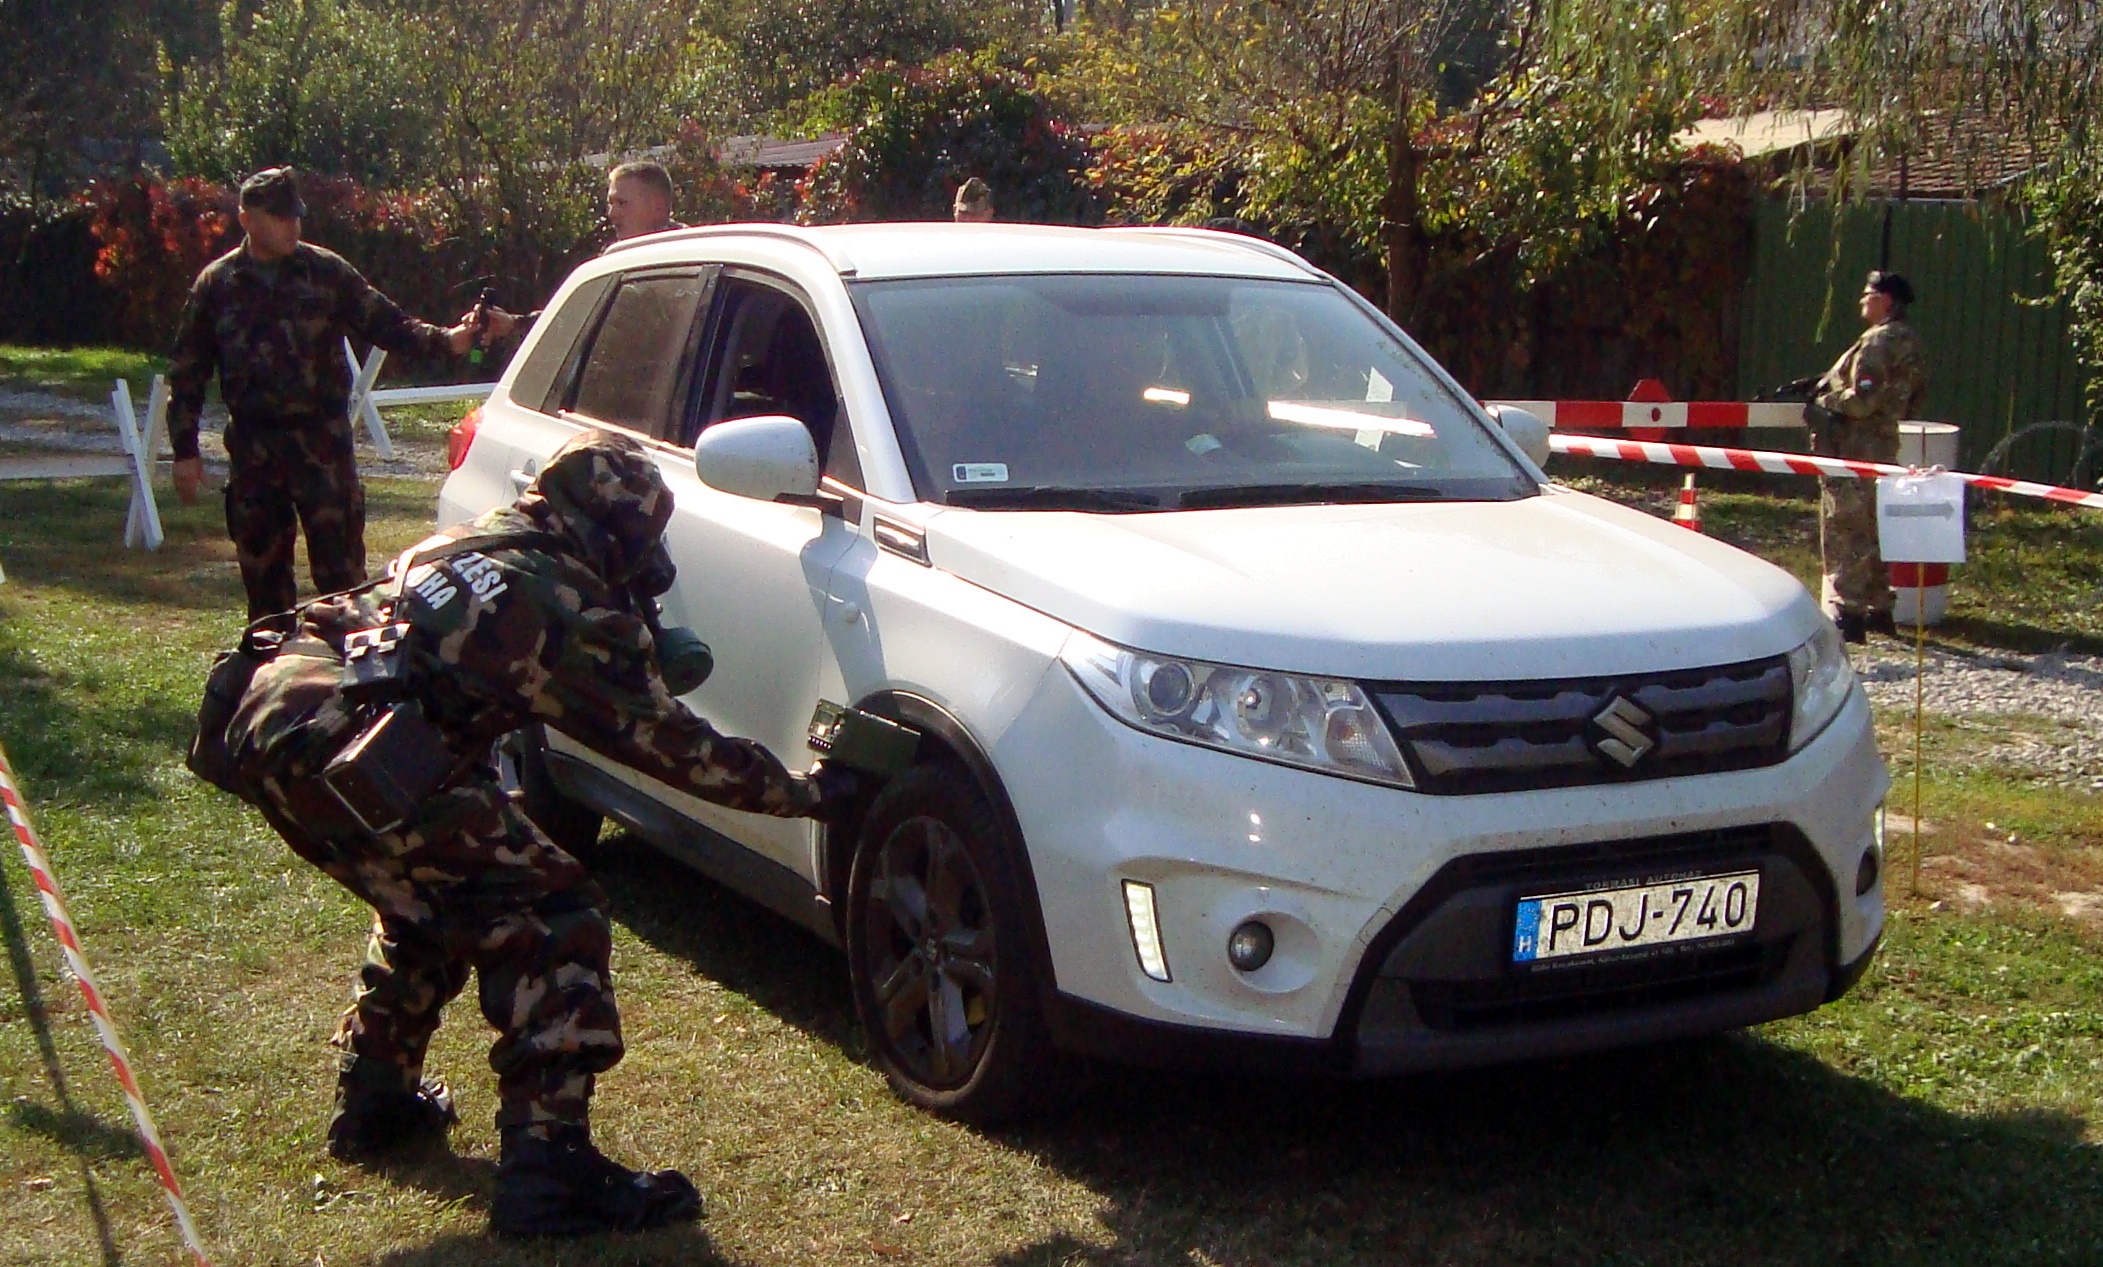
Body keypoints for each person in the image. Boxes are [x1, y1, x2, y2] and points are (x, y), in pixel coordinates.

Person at [216, 429, 856, 1237]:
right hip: (359, 749)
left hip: (272, 716)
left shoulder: (476, 539)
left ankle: (375, 1098)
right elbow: (676, 748)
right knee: (557, 912)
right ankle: (550, 1170)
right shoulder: (564, 606)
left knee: (439, 891)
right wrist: (807, 792)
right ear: (614, 534)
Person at [168, 167, 483, 619]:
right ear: (248, 220)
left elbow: (388, 323)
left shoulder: (326, 273)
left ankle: (346, 674)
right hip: (256, 452)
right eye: (279, 217)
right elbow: (188, 369)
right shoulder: (219, 285)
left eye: (295, 215)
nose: (292, 226)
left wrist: (448, 340)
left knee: (344, 584)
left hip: (322, 447)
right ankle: (273, 677)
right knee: (265, 586)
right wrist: (184, 449)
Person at [1803, 270, 1928, 642]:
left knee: (1845, 526)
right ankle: (1878, 608)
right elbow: (1914, 396)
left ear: (1886, 301)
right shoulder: (1909, 341)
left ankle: (1849, 612)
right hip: (1884, 443)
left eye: (1868, 295)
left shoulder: (1877, 342)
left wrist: (1823, 401)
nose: (1862, 301)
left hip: (1854, 446)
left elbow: (1862, 401)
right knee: (1873, 527)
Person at [478, 160, 686, 343]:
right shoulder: (614, 262)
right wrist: (514, 324)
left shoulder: (690, 260)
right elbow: (579, 317)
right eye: (610, 203)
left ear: (658, 207)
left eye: (622, 203)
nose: (612, 214)